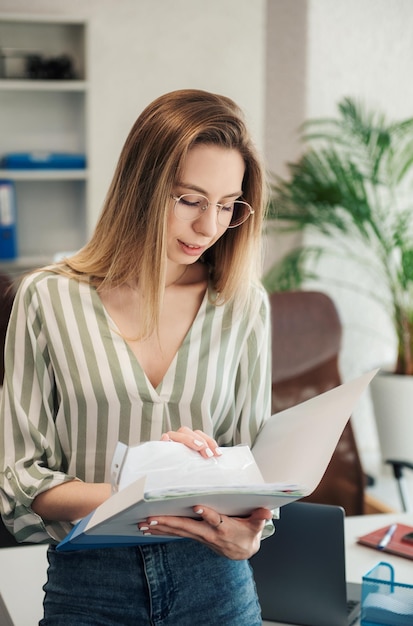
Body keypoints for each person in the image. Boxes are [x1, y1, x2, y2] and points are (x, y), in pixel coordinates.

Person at [0, 89, 273, 625]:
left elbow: (257, 469)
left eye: (227, 206)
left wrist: (250, 535)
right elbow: (19, 476)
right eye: (190, 200)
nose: (208, 227)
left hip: (215, 583)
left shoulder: (243, 305)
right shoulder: (47, 297)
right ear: (141, 188)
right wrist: (144, 486)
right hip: (90, 584)